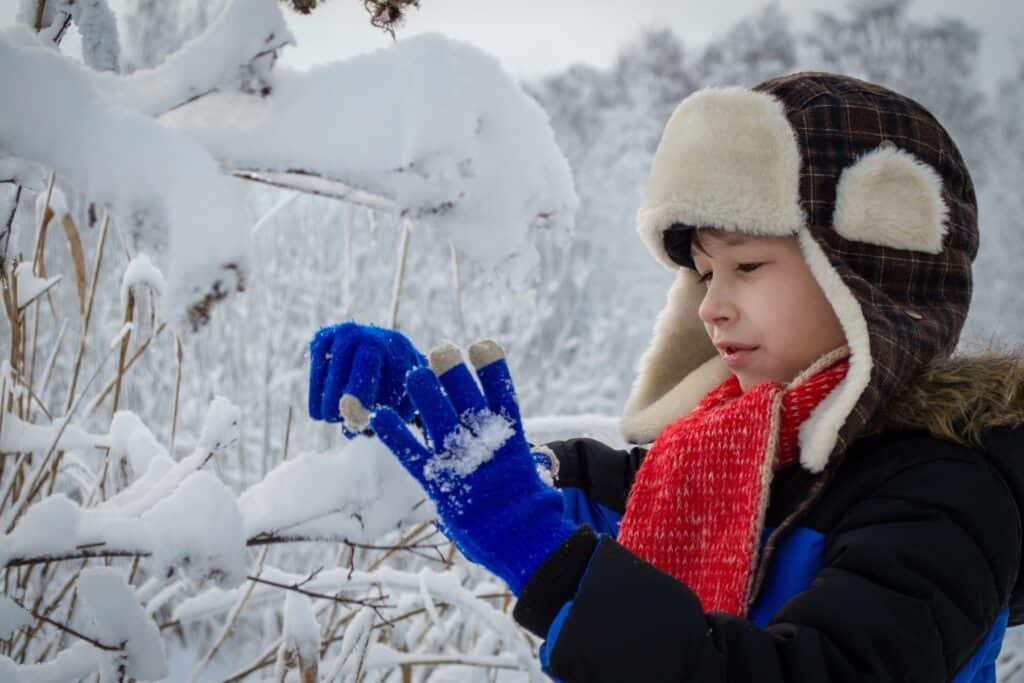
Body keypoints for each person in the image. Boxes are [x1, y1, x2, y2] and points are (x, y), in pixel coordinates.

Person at [308, 72, 1024, 682]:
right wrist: (442, 424)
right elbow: (592, 488)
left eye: (746, 265)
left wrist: (544, 555)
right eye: (704, 274)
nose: (711, 306)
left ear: (863, 277)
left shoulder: (947, 495)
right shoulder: (736, 458)